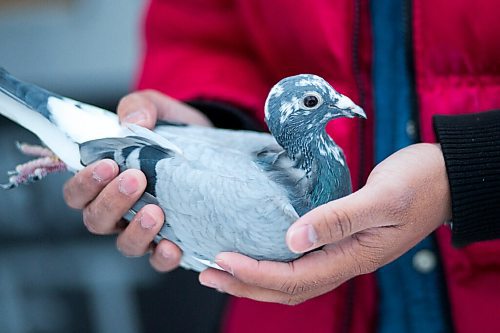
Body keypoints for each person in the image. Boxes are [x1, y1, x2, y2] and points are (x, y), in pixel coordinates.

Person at [63, 0, 500, 332]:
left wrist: (473, 170)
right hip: (290, 306)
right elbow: (199, 29)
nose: (341, 106)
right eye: (317, 103)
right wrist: (213, 124)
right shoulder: (282, 192)